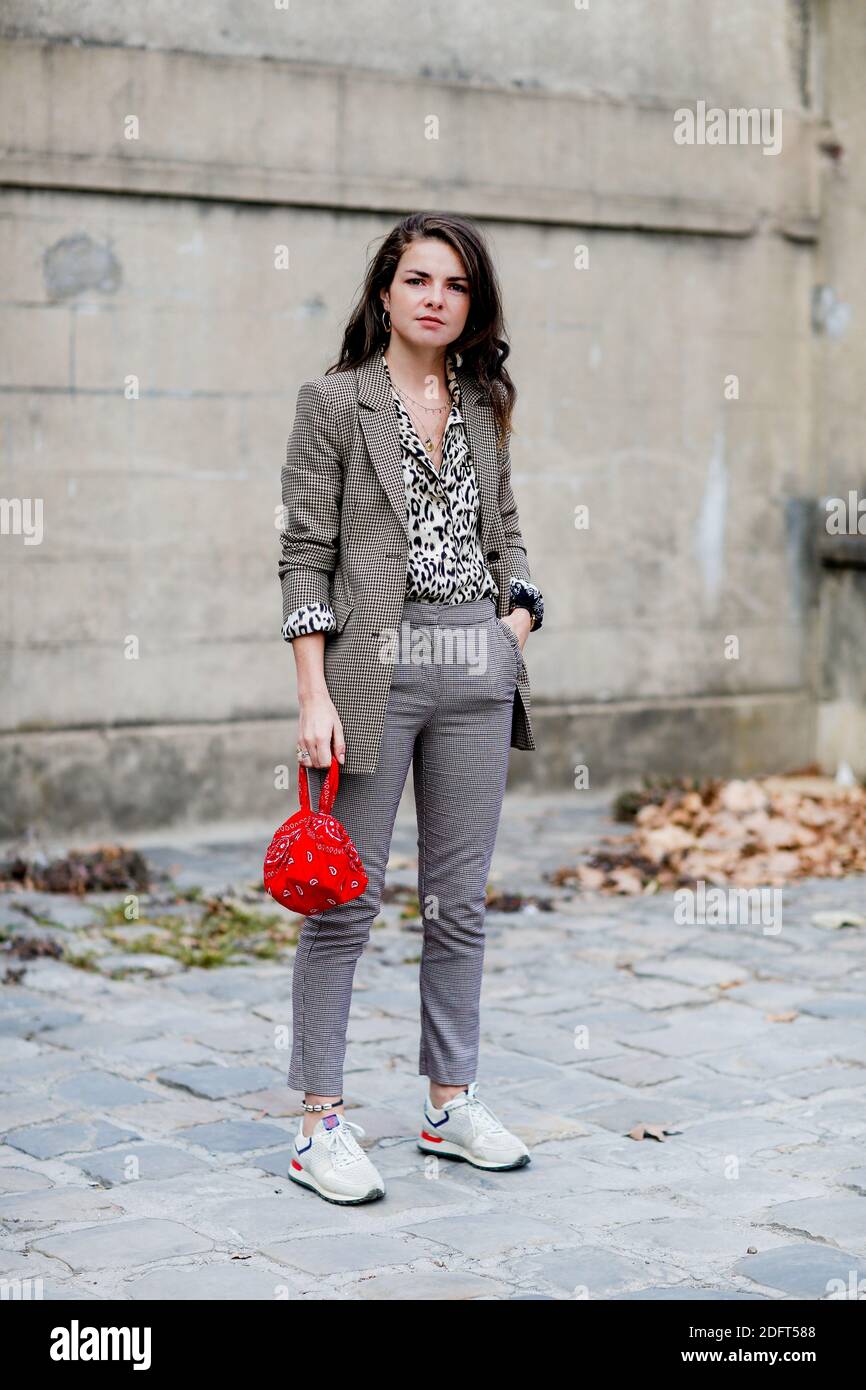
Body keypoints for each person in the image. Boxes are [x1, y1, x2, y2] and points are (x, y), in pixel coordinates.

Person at [278, 211, 544, 1205]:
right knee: (343, 903)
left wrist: (514, 621)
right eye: (417, 278)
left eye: (455, 284)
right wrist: (312, 691)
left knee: (458, 904)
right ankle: (318, 1125)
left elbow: (503, 528)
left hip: (473, 666)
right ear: (385, 291)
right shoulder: (334, 402)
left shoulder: (480, 401)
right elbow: (303, 552)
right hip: (373, 672)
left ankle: (447, 1104)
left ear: (471, 305)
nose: (435, 296)